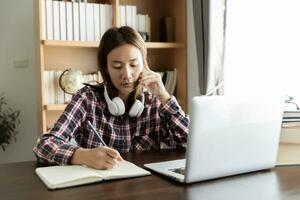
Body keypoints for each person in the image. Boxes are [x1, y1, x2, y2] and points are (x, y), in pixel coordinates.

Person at [33, 26, 189, 170]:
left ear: (144, 65)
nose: (127, 75)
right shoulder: (87, 99)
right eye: (117, 66)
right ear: (106, 68)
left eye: (134, 64)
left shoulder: (155, 102)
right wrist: (82, 156)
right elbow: (44, 146)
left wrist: (164, 97)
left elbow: (191, 143)